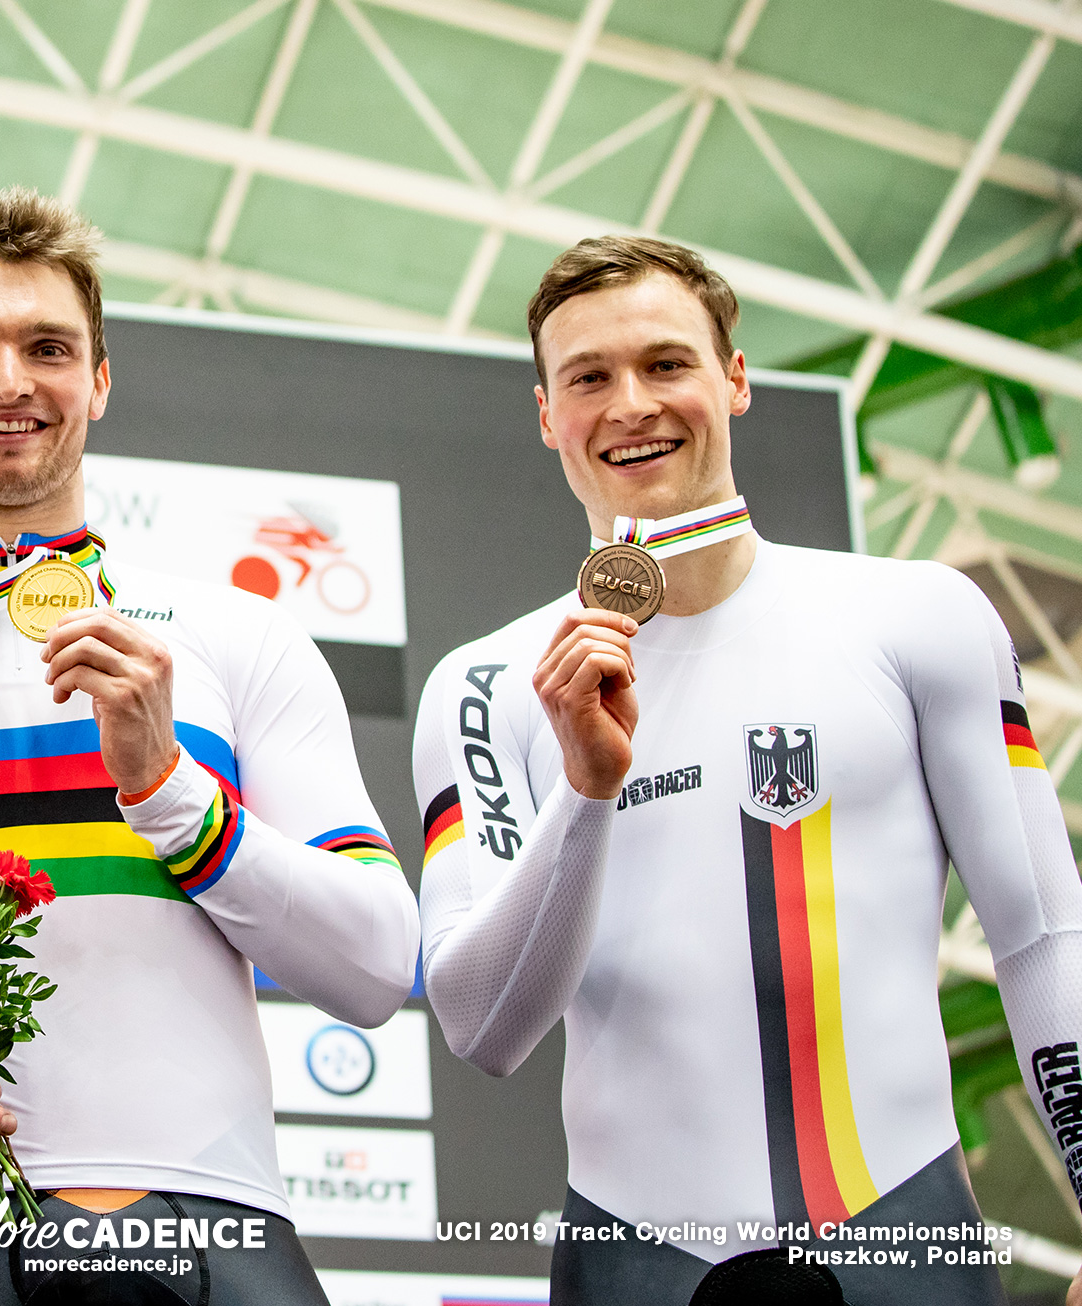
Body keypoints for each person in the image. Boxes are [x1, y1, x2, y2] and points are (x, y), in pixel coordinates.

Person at [0, 187, 420, 1304]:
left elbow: (378, 962)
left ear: (97, 380)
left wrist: (173, 796)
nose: (8, 380)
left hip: (221, 1220)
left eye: (47, 346)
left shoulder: (239, 636)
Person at [414, 234, 1082, 1305]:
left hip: (900, 1236)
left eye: (666, 363)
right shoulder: (489, 684)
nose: (630, 402)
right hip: (633, 1256)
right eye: (588, 377)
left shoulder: (917, 615)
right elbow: (482, 1025)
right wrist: (586, 793)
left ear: (733, 379)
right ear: (547, 416)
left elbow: (1044, 933)